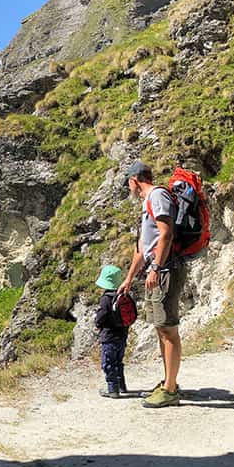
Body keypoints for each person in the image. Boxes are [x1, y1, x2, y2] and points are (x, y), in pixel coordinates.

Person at [118, 160, 185, 408]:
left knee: (168, 328)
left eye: (128, 183)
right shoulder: (149, 202)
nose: (128, 187)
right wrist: (128, 279)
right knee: (161, 326)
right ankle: (169, 381)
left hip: (166, 270)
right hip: (157, 270)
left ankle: (170, 389)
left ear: (135, 180)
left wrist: (155, 267)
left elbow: (166, 233)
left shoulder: (157, 196)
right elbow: (141, 248)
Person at [94, 265, 129, 398]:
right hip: (122, 336)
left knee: (108, 363)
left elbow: (101, 317)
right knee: (118, 362)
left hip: (109, 336)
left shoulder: (106, 299)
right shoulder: (123, 295)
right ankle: (122, 386)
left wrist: (97, 323)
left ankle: (112, 389)